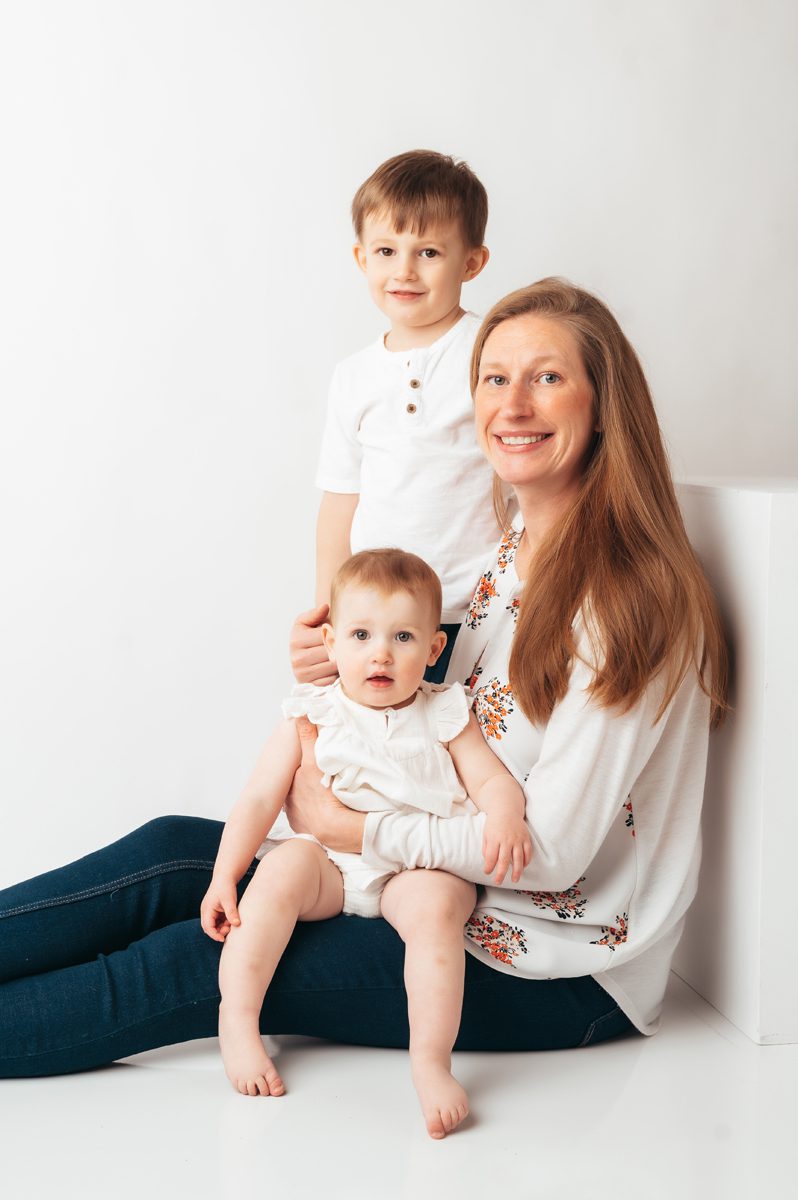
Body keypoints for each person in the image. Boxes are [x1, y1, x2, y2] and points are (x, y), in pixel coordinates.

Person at [0, 279, 727, 1146]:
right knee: (168, 855)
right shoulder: (518, 551)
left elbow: (554, 853)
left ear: (604, 404)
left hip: (551, 965)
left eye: (546, 378)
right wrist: (347, 665)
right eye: (493, 379)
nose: (512, 405)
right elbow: (436, 701)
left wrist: (348, 829)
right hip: (432, 888)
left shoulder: (626, 600)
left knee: (191, 964)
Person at [202, 547, 530, 1137]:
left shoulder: (446, 712)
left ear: (433, 650)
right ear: (330, 645)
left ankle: (430, 1062)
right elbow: (259, 798)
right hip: (332, 864)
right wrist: (227, 872)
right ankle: (239, 1019)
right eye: (361, 634)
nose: (380, 652)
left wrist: (505, 816)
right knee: (277, 876)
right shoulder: (312, 713)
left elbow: (489, 779)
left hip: (412, 868)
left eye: (403, 637)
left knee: (436, 914)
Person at [313, 149, 495, 685]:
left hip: (479, 610)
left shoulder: (489, 352)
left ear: (471, 262)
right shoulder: (353, 376)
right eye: (387, 250)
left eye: (429, 252)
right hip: (381, 627)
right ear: (361, 258)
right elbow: (340, 502)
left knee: (470, 752)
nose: (405, 271)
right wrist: (331, 612)